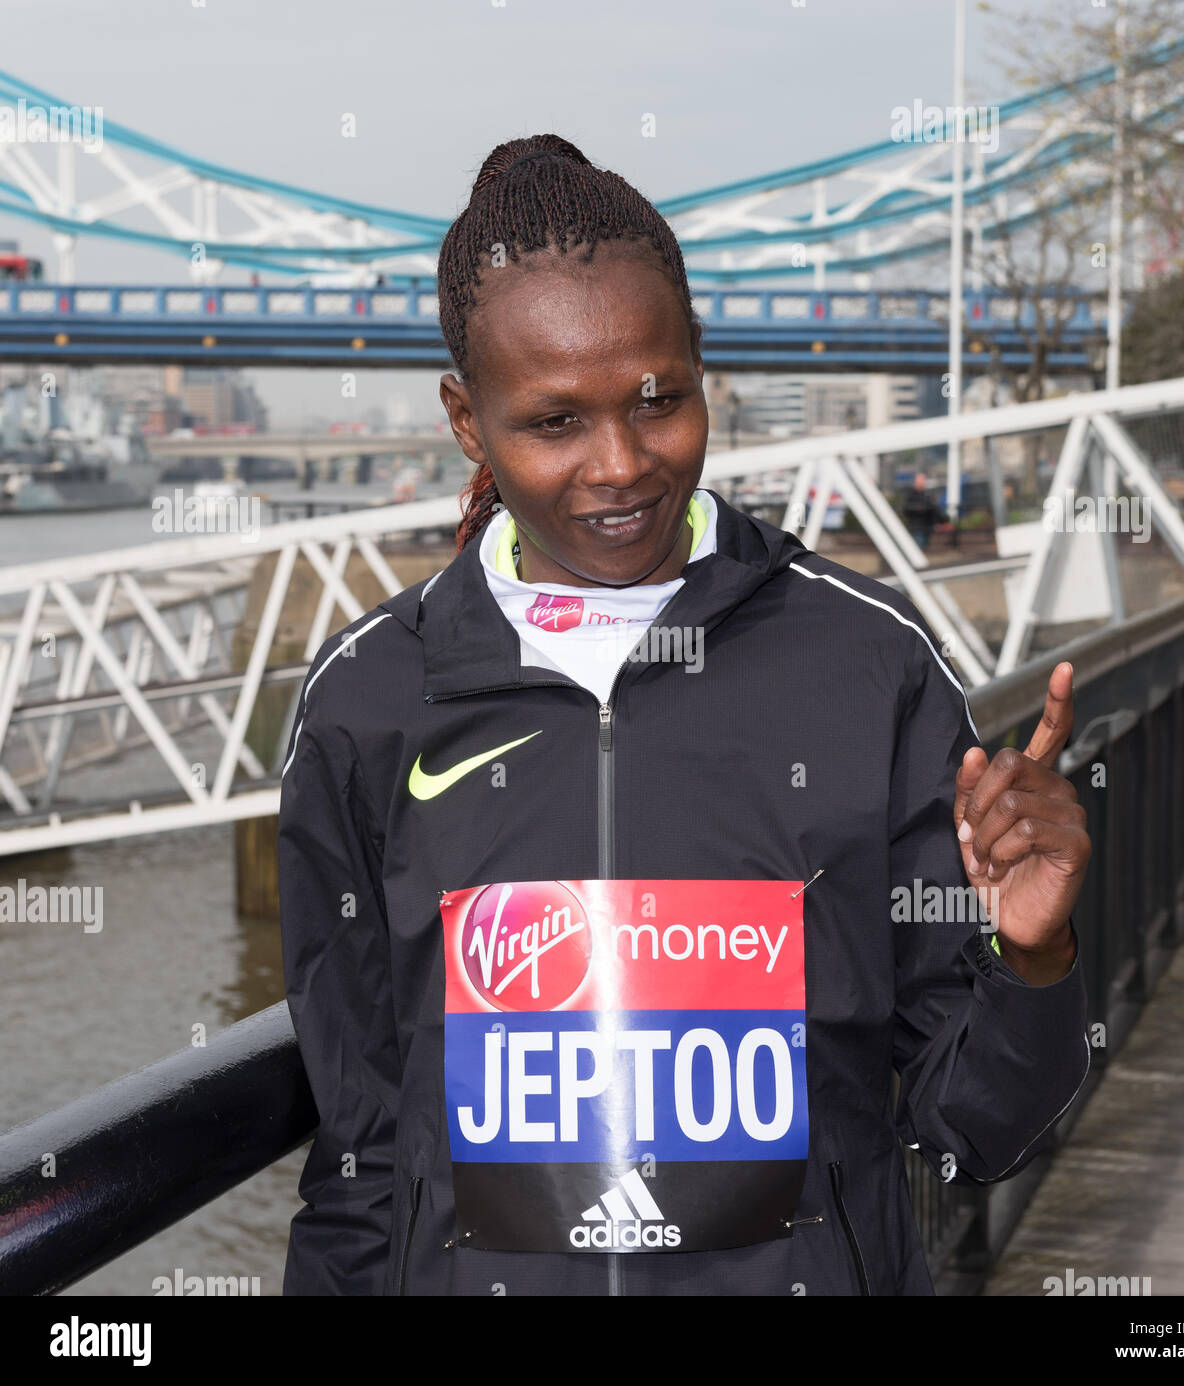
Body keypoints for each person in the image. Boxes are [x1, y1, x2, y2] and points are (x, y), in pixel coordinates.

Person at [278, 134, 1091, 1297]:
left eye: (659, 400)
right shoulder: (365, 707)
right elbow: (358, 1165)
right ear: (468, 421)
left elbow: (984, 1131)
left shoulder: (869, 666)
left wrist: (1034, 955)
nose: (621, 463)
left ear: (703, 371)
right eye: (555, 422)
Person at [902, 471, 944, 551]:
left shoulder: (926, 494)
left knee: (923, 548)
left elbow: (934, 509)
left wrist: (937, 522)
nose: (923, 483)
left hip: (926, 527)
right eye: (921, 481)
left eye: (924, 480)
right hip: (916, 527)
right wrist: (919, 508)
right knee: (917, 550)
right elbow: (906, 509)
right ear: (916, 482)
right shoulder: (911, 494)